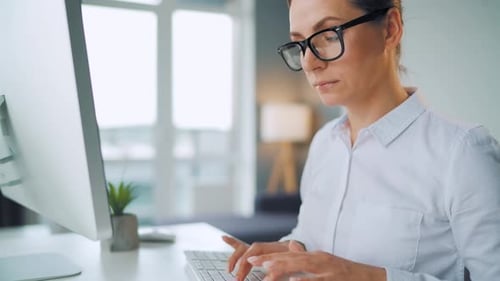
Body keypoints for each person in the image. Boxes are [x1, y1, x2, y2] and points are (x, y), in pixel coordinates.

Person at [222, 0, 500, 280]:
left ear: (390, 29)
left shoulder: (463, 152)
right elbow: (308, 238)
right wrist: (283, 251)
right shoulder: (323, 144)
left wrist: (371, 277)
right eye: (300, 45)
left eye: (329, 35)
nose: (309, 62)